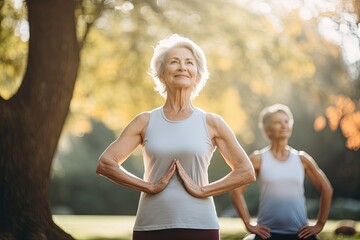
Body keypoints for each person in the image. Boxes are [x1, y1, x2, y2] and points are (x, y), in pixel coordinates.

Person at [96, 34, 256, 240]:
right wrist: (148, 186)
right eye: (174, 62)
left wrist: (204, 190)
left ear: (197, 75)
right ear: (162, 74)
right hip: (151, 225)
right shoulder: (145, 121)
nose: (182, 67)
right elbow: (105, 163)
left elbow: (246, 172)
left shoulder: (211, 122)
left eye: (189, 62)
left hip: (200, 225)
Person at [231, 104, 333, 240]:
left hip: (300, 234)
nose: (284, 125)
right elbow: (236, 191)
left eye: (286, 121)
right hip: (266, 234)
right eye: (278, 122)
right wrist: (248, 223)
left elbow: (327, 189)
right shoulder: (258, 159)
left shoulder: (302, 159)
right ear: (267, 130)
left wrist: (320, 224)